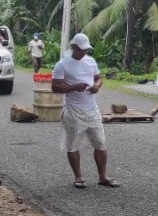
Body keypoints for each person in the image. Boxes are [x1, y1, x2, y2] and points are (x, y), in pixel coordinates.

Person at [51, 33, 120, 189]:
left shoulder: (90, 61)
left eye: (86, 49)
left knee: (100, 143)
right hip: (73, 109)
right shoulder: (62, 64)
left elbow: (98, 78)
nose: (84, 52)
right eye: (81, 49)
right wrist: (74, 87)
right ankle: (78, 177)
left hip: (92, 109)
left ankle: (102, 176)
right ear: (73, 47)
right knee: (73, 145)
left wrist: (97, 86)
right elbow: (55, 87)